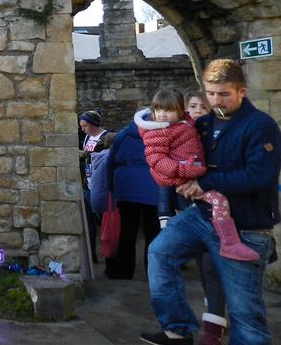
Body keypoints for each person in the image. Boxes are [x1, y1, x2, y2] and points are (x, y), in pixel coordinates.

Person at [142, 60, 281, 345]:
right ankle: (178, 331)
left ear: (241, 91)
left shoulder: (260, 125)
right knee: (159, 253)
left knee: (245, 314)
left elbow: (260, 175)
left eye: (223, 94)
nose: (216, 100)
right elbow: (179, 150)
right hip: (203, 216)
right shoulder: (203, 124)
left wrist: (204, 183)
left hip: (247, 227)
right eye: (210, 93)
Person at [136, 88, 257, 262]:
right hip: (185, 182)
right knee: (217, 202)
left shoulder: (188, 126)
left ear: (179, 112)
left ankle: (225, 243)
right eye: (193, 106)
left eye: (203, 106)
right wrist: (187, 171)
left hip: (196, 180)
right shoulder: (161, 131)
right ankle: (229, 243)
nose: (162, 114)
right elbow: (158, 162)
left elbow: (223, 115)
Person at [158, 91, 227, 345]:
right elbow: (166, 175)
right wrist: (165, 212)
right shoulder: (178, 134)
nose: (197, 110)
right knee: (197, 264)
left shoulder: (216, 136)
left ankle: (213, 327)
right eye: (193, 106)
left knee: (211, 266)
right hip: (186, 210)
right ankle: (182, 327)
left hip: (216, 211)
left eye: (202, 106)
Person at [102, 112, 161, 279]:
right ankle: (153, 272)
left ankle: (124, 270)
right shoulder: (159, 134)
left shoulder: (123, 135)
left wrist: (111, 185)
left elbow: (110, 162)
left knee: (127, 232)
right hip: (153, 188)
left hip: (125, 188)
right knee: (153, 232)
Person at [78, 110, 109, 262]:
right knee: (88, 221)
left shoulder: (106, 137)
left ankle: (109, 253)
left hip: (101, 185)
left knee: (105, 221)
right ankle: (92, 255)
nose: (82, 129)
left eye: (85, 126)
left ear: (93, 124)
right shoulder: (88, 137)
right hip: (88, 183)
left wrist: (85, 155)